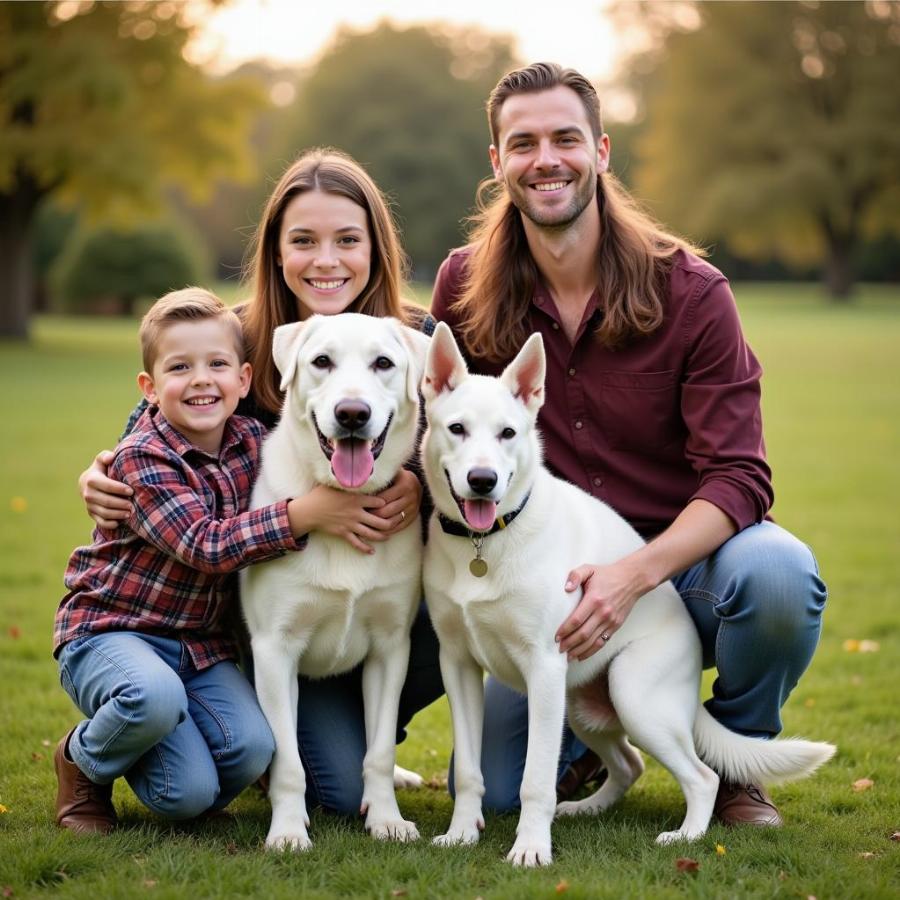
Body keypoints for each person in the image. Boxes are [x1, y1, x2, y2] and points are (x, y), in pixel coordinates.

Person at [431, 62, 827, 827]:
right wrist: (158, 442)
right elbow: (395, 400)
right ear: (498, 163)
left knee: (778, 574)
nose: (545, 159)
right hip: (541, 577)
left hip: (684, 564)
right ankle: (590, 735)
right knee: (505, 794)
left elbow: (740, 478)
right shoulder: (463, 286)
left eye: (565, 139)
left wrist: (631, 577)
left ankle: (736, 763)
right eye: (523, 143)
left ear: (601, 151)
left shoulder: (691, 291)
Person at [76, 149, 443, 818]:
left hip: (374, 584)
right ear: (276, 252)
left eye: (347, 240)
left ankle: (372, 743)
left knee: (440, 613)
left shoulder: (415, 334)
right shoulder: (236, 339)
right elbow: (149, 433)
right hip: (252, 611)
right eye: (303, 240)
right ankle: (155, 738)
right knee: (329, 795)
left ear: (376, 249)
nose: (325, 260)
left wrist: (418, 479)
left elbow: (464, 433)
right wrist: (101, 472)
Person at [55, 288, 297, 832]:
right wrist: (303, 516)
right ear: (150, 387)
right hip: (112, 633)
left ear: (243, 378)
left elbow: (307, 459)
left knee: (251, 750)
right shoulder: (143, 455)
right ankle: (81, 763)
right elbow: (205, 546)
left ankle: (169, 751)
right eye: (180, 367)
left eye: (217, 364)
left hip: (197, 647)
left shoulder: (254, 440)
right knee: (152, 697)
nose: (201, 380)